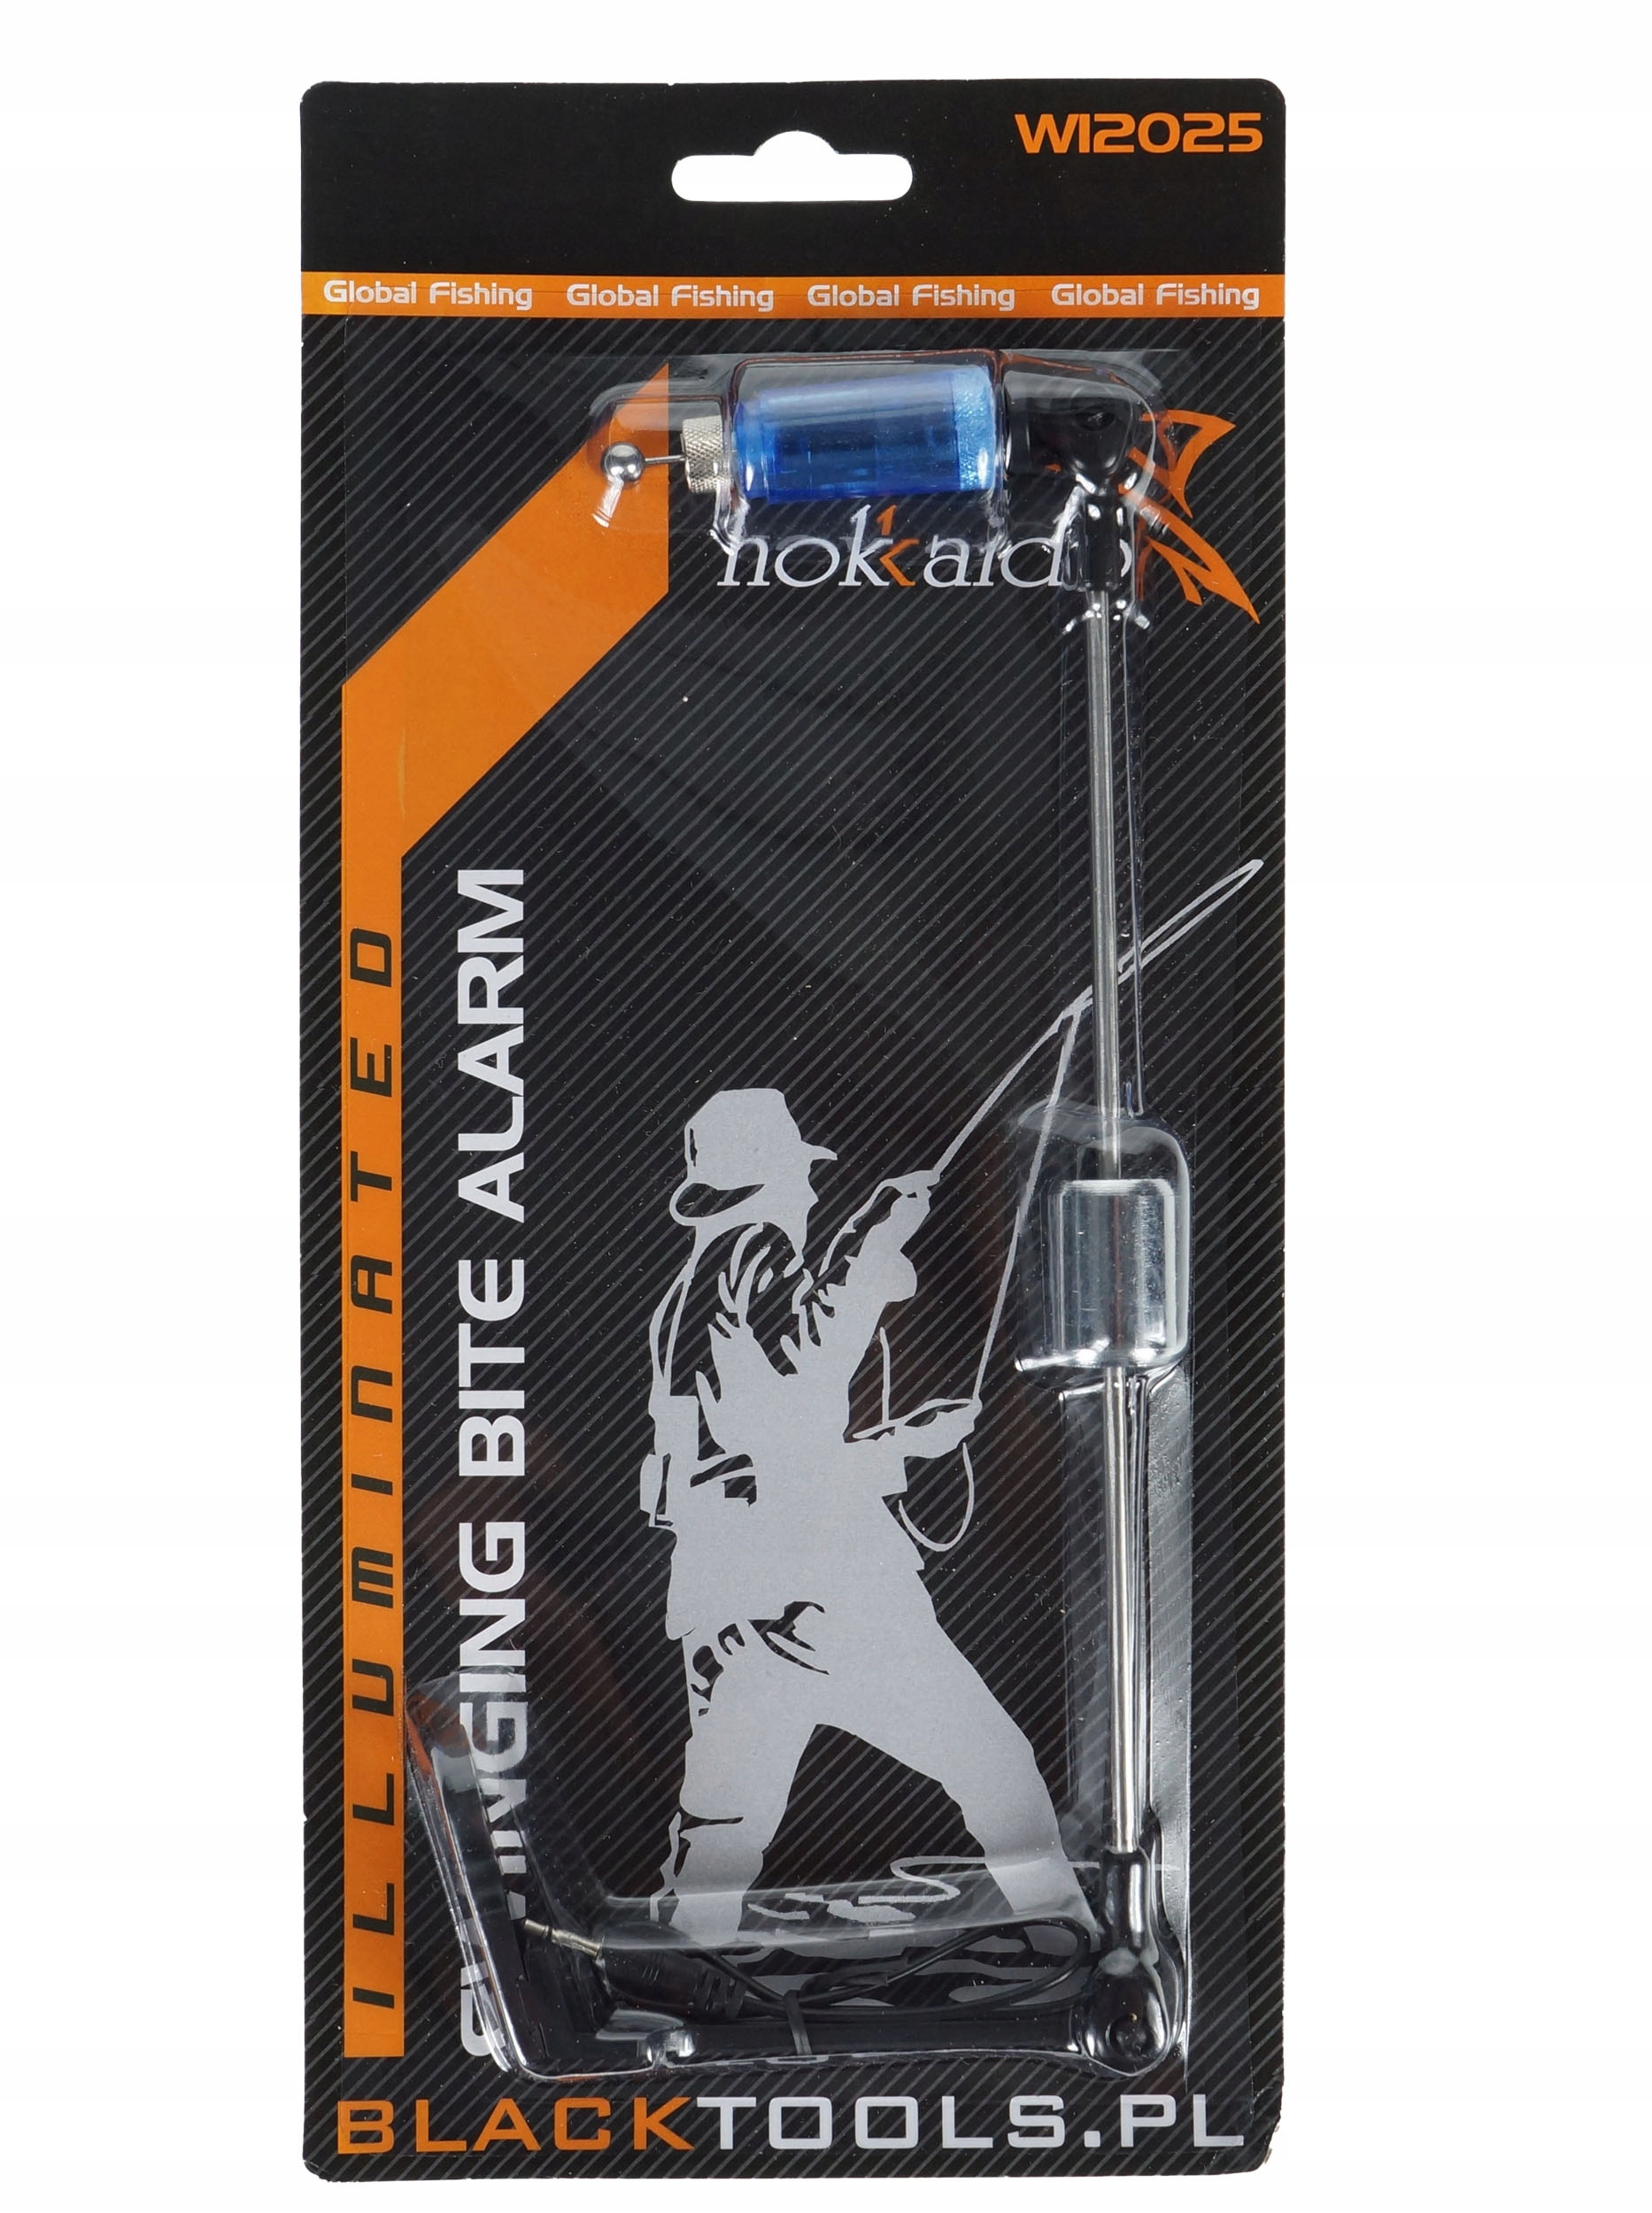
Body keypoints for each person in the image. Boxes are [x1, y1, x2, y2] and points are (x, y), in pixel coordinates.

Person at [642, 1086, 1092, 1946]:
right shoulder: (756, 1252)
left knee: (719, 1835)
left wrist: (901, 1442)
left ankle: (672, 1973)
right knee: (997, 1772)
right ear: (768, 1181)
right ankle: (1070, 1947)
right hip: (823, 1594)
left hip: (723, 1596)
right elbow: (806, 1358)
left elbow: (754, 1449)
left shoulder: (687, 1298)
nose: (812, 1189)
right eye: (799, 1174)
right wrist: (874, 1237)